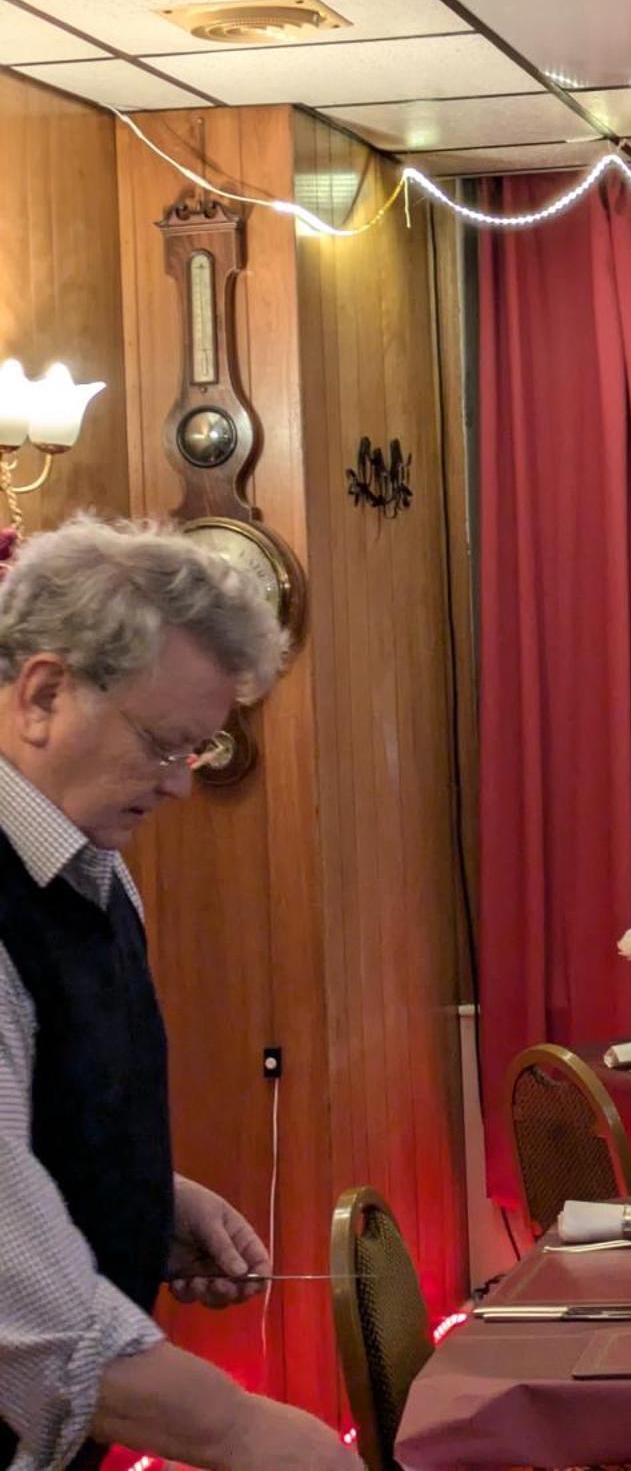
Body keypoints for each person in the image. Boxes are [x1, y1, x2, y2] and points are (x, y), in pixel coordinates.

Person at [0, 517, 352, 1469]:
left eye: (193, 751)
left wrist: (141, 1198)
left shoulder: (95, 871)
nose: (180, 788)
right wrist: (239, 1433)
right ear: (42, 693)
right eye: (164, 744)